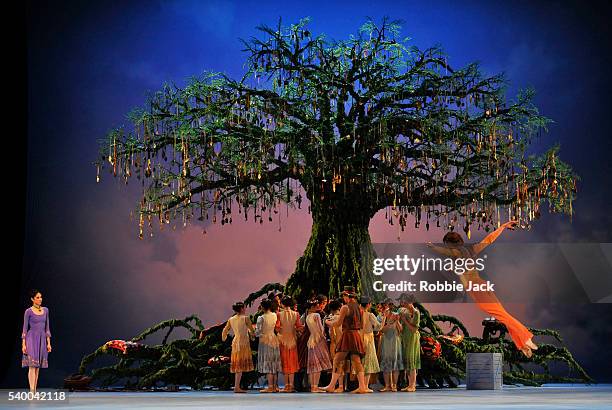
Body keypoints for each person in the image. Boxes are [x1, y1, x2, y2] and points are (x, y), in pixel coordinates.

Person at [427, 220, 539, 357]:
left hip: (476, 289)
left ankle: (526, 339)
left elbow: (446, 253)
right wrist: (503, 227)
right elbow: (489, 239)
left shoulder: (456, 253)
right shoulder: (471, 249)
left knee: (502, 315)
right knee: (503, 315)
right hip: (481, 284)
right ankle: (523, 345)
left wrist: (433, 248)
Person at [324, 286, 370, 394]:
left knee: (337, 359)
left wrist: (328, 322)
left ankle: (331, 386)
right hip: (356, 335)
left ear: (346, 295)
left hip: (348, 335)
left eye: (343, 295)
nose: (343, 298)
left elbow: (338, 323)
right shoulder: (359, 308)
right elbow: (362, 325)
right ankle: (362, 387)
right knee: (357, 361)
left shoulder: (345, 307)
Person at [22, 289, 51, 394]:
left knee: (37, 367)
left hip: (42, 339)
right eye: (38, 297)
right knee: (32, 366)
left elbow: (47, 328)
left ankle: (35, 390)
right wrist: (23, 344)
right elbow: (25, 329)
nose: (40, 299)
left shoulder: (46, 310)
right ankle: (31, 391)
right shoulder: (28, 311)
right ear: (32, 299)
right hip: (31, 338)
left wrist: (48, 343)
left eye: (41, 297)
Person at [221, 301, 254, 393]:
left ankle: (237, 386)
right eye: (244, 307)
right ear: (242, 309)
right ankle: (237, 387)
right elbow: (251, 330)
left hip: (236, 342)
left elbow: (225, 330)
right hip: (243, 342)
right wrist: (253, 336)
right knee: (240, 365)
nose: (245, 309)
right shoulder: (245, 318)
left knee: (238, 365)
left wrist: (224, 338)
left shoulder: (231, 319)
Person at [275, 296, 304, 392]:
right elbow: (299, 327)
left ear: (282, 304)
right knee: (291, 363)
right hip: (292, 341)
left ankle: (286, 385)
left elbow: (277, 328)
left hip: (282, 341)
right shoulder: (296, 314)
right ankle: (291, 386)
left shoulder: (279, 314)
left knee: (284, 363)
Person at [305, 299, 332, 392]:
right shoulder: (316, 315)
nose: (318, 306)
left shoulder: (308, 316)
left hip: (311, 339)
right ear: (312, 307)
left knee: (313, 365)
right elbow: (321, 329)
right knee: (318, 365)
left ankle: (313, 386)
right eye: (316, 305)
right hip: (318, 340)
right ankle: (315, 386)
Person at [255, 299, 282, 392]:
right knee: (273, 362)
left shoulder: (261, 318)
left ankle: (270, 387)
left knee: (268, 363)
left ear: (263, 307)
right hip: (273, 338)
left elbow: (258, 332)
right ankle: (275, 386)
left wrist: (255, 333)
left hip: (265, 340)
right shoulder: (275, 315)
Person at [397, 294, 420, 392]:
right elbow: (401, 328)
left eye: (405, 302)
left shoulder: (416, 312)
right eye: (402, 302)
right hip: (405, 337)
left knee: (412, 361)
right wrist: (397, 321)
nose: (403, 304)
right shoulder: (404, 311)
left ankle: (413, 385)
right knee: (406, 361)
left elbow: (414, 329)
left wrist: (404, 320)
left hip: (412, 338)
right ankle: (409, 384)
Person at [379, 303, 403, 392]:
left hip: (395, 341)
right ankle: (387, 385)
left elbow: (400, 330)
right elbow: (382, 330)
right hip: (387, 341)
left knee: (395, 364)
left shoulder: (396, 317)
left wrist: (396, 321)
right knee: (386, 363)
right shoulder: (384, 318)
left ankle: (394, 385)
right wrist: (389, 321)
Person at [359, 296, 381, 390]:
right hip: (368, 338)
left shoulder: (358, 314)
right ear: (368, 304)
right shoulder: (369, 314)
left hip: (359, 337)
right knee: (367, 362)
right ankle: (365, 386)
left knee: (360, 362)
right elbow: (378, 327)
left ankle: (361, 385)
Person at [324, 299, 346, 392]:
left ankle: (340, 386)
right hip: (340, 342)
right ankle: (337, 385)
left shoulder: (330, 318)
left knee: (337, 364)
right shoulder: (338, 317)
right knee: (338, 364)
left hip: (335, 343)